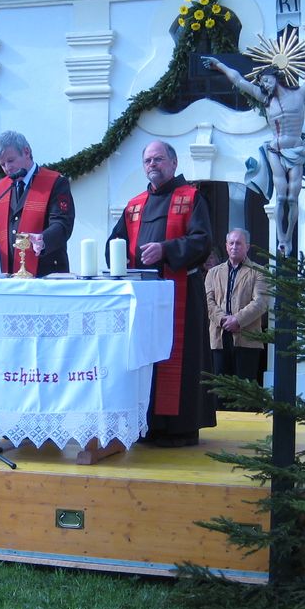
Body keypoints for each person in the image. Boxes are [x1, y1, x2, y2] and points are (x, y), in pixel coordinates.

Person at [203, 50, 305, 255]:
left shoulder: (301, 93)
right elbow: (238, 80)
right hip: (275, 150)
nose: (264, 85)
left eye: (266, 80)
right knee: (280, 197)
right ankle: (282, 239)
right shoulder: (265, 100)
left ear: (276, 77)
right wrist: (219, 65)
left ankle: (289, 235)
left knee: (292, 197)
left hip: (296, 150)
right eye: (261, 82)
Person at [108, 140, 214, 446]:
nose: (152, 164)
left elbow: (202, 241)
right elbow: (115, 241)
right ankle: (145, 424)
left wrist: (165, 249)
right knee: (145, 360)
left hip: (179, 296)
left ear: (174, 163)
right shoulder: (135, 205)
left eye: (158, 159)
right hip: (143, 301)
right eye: (147, 160)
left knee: (177, 361)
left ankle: (180, 429)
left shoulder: (191, 198)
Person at [0, 130, 74, 277]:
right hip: (7, 276)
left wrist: (43, 239)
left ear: (26, 152)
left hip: (46, 272)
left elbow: (62, 224)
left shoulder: (56, 182)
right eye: (2, 164)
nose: (7, 168)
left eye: (11, 160)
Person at [204, 228, 269, 381]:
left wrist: (237, 320)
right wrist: (222, 319)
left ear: (247, 246)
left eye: (239, 243)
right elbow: (208, 301)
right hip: (219, 337)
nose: (234, 247)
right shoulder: (212, 273)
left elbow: (260, 302)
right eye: (231, 243)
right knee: (221, 389)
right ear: (226, 246)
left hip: (247, 339)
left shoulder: (258, 272)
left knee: (244, 391)